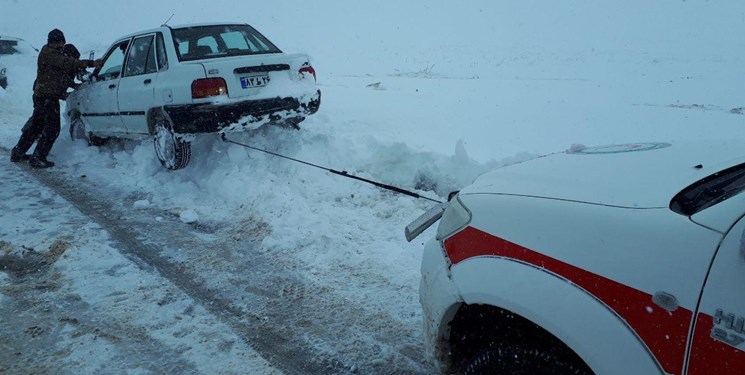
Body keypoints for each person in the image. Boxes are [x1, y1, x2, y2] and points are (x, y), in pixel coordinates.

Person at [10, 29, 100, 168]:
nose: (59, 46)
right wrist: (91, 63)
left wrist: (73, 85)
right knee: (52, 130)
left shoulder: (55, 56)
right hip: (46, 98)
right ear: (51, 43)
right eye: (57, 43)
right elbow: (67, 64)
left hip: (42, 96)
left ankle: (18, 152)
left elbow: (60, 78)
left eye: (61, 43)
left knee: (36, 127)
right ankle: (38, 158)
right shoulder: (49, 54)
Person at [19, 43, 85, 137]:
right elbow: (62, 80)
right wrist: (68, 91)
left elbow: (67, 79)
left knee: (40, 115)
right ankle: (29, 132)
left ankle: (32, 133)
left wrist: (75, 84)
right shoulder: (59, 64)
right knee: (40, 115)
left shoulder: (68, 65)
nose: (75, 60)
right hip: (42, 91)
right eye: (73, 58)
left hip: (48, 91)